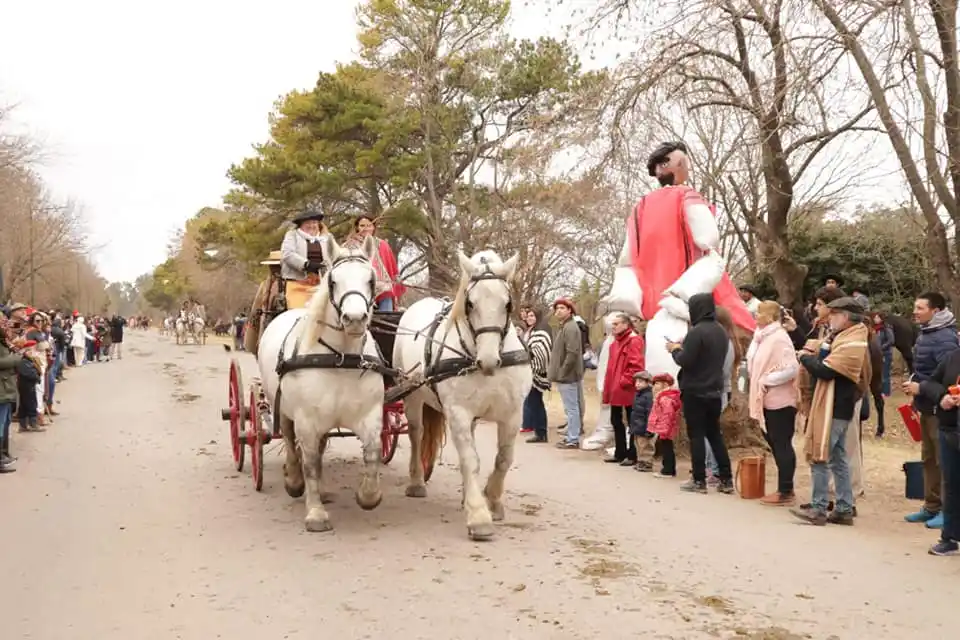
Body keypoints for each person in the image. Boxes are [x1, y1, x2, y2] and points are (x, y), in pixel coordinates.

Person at [601, 140, 756, 387]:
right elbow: (708, 238)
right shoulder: (687, 197)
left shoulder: (640, 208)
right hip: (685, 298)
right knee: (734, 333)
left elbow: (626, 257)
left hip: (657, 302)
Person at [792, 297, 872, 526]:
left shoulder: (854, 342)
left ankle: (818, 508)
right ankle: (844, 508)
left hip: (836, 406)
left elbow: (826, 371)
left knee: (820, 456)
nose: (830, 319)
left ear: (845, 317)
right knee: (837, 458)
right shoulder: (841, 337)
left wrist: (805, 357)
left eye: (834, 315)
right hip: (834, 404)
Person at [666, 292, 734, 494]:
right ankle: (726, 478)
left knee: (696, 436)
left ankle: (699, 480)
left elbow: (685, 360)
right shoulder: (721, 331)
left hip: (695, 390)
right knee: (715, 435)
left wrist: (674, 349)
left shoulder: (696, 332)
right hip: (715, 389)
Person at [902, 292, 959, 530]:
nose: (914, 312)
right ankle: (931, 506)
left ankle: (948, 511)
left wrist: (922, 388)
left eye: (920, 308)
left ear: (935, 311)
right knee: (928, 459)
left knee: (943, 461)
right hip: (925, 404)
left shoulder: (945, 338)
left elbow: (948, 377)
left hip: (940, 408)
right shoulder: (926, 333)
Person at [747, 301, 800, 506]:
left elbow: (791, 368)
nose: (755, 316)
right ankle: (784, 488)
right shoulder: (761, 337)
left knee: (782, 444)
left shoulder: (779, 339)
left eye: (759, 313)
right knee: (774, 443)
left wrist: (765, 381)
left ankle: (786, 490)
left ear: (770, 316)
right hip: (766, 400)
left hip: (780, 401)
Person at [917, 347, 960, 555]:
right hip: (950, 430)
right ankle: (949, 537)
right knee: (951, 484)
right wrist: (942, 397)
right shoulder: (952, 357)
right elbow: (930, 383)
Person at [603, 312, 645, 464]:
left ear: (626, 325)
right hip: (615, 386)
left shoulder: (634, 340)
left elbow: (636, 365)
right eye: (612, 324)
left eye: (616, 324)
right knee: (615, 419)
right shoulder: (615, 343)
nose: (613, 327)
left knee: (632, 421)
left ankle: (632, 454)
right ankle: (620, 452)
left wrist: (623, 381)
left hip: (626, 388)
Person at [344, 214, 406, 311]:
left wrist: (395, 282)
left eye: (369, 225)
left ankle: (386, 322)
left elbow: (391, 267)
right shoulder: (349, 246)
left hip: (382, 288)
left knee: (386, 293)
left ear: (373, 227)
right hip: (358, 288)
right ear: (357, 227)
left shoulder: (382, 244)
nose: (365, 228)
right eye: (362, 226)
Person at [548, 298, 586, 449]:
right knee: (572, 407)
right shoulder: (565, 326)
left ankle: (573, 439)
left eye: (562, 308)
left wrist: (563, 372)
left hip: (568, 375)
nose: (559, 311)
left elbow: (572, 352)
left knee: (572, 408)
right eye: (557, 308)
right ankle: (572, 435)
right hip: (567, 374)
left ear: (570, 310)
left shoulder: (570, 327)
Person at [280, 208, 330, 310]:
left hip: (323, 285)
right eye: (307, 223)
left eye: (314, 222)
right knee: (300, 314)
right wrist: (307, 264)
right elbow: (288, 254)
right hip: (298, 284)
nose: (311, 225)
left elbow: (335, 255)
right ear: (300, 225)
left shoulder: (327, 238)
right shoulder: (292, 235)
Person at [521, 308, 552, 444]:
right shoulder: (531, 331)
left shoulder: (540, 332)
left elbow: (541, 354)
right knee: (534, 403)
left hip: (536, 373)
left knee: (536, 403)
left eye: (532, 315)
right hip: (529, 371)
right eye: (528, 316)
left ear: (538, 317)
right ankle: (538, 431)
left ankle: (541, 433)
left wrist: (533, 369)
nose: (529, 318)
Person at [245, 251, 284, 356]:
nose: (275, 270)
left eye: (278, 267)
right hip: (268, 320)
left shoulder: (291, 285)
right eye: (274, 267)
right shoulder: (265, 285)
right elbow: (256, 309)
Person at [646, 373, 682, 478]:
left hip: (666, 428)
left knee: (667, 448)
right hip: (665, 427)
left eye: (657, 383)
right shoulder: (663, 396)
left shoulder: (665, 398)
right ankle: (668, 468)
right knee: (667, 446)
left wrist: (664, 428)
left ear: (665, 384)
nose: (654, 386)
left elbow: (668, 414)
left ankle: (668, 470)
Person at [0, 318, 19, 472]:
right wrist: (17, 358)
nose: (8, 328)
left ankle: (3, 455)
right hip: (2, 388)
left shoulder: (4, 342)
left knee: (5, 422)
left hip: (6, 387)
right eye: (4, 326)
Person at [16, 339, 45, 433]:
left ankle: (23, 425)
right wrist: (37, 376)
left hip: (27, 385)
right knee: (31, 404)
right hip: (27, 386)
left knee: (24, 405)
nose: (32, 352)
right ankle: (33, 424)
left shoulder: (29, 360)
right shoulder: (24, 362)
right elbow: (30, 374)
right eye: (30, 351)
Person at [629, 370, 655, 470]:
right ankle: (640, 461)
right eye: (636, 382)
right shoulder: (637, 395)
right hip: (637, 425)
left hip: (644, 426)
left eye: (640, 382)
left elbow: (649, 412)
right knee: (638, 445)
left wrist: (650, 427)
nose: (637, 384)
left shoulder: (648, 396)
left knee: (646, 446)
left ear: (647, 383)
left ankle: (647, 462)